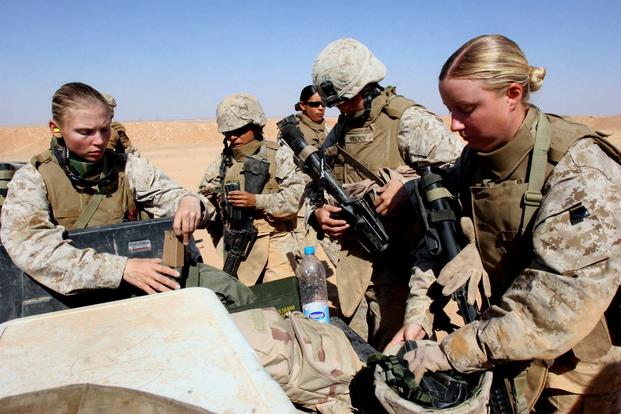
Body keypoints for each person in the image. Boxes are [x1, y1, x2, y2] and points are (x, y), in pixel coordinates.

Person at [395, 34, 621, 413]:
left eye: (465, 109)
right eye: (449, 109)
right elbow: (438, 236)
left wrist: (455, 351)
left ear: (512, 94)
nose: (452, 125)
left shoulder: (580, 171)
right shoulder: (476, 158)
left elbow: (556, 306)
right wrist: (417, 316)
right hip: (506, 348)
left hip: (575, 371)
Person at [309, 38, 464, 349]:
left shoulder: (408, 121)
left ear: (367, 86)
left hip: (407, 273)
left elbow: (463, 175)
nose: (340, 107)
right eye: (335, 103)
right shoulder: (340, 131)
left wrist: (413, 187)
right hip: (357, 272)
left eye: (346, 99)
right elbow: (316, 187)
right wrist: (318, 214)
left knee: (400, 361)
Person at [0, 82, 212, 296]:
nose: (100, 141)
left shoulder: (129, 167)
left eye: (104, 129)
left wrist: (190, 201)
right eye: (85, 132)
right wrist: (121, 270)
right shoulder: (32, 180)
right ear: (56, 128)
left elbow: (179, 198)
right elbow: (33, 249)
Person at [199, 93, 305, 286]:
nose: (232, 137)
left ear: (255, 126)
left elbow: (294, 199)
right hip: (237, 246)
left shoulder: (278, 156)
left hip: (276, 244)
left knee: (281, 303)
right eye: (227, 132)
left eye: (238, 130)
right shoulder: (222, 162)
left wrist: (256, 201)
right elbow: (206, 199)